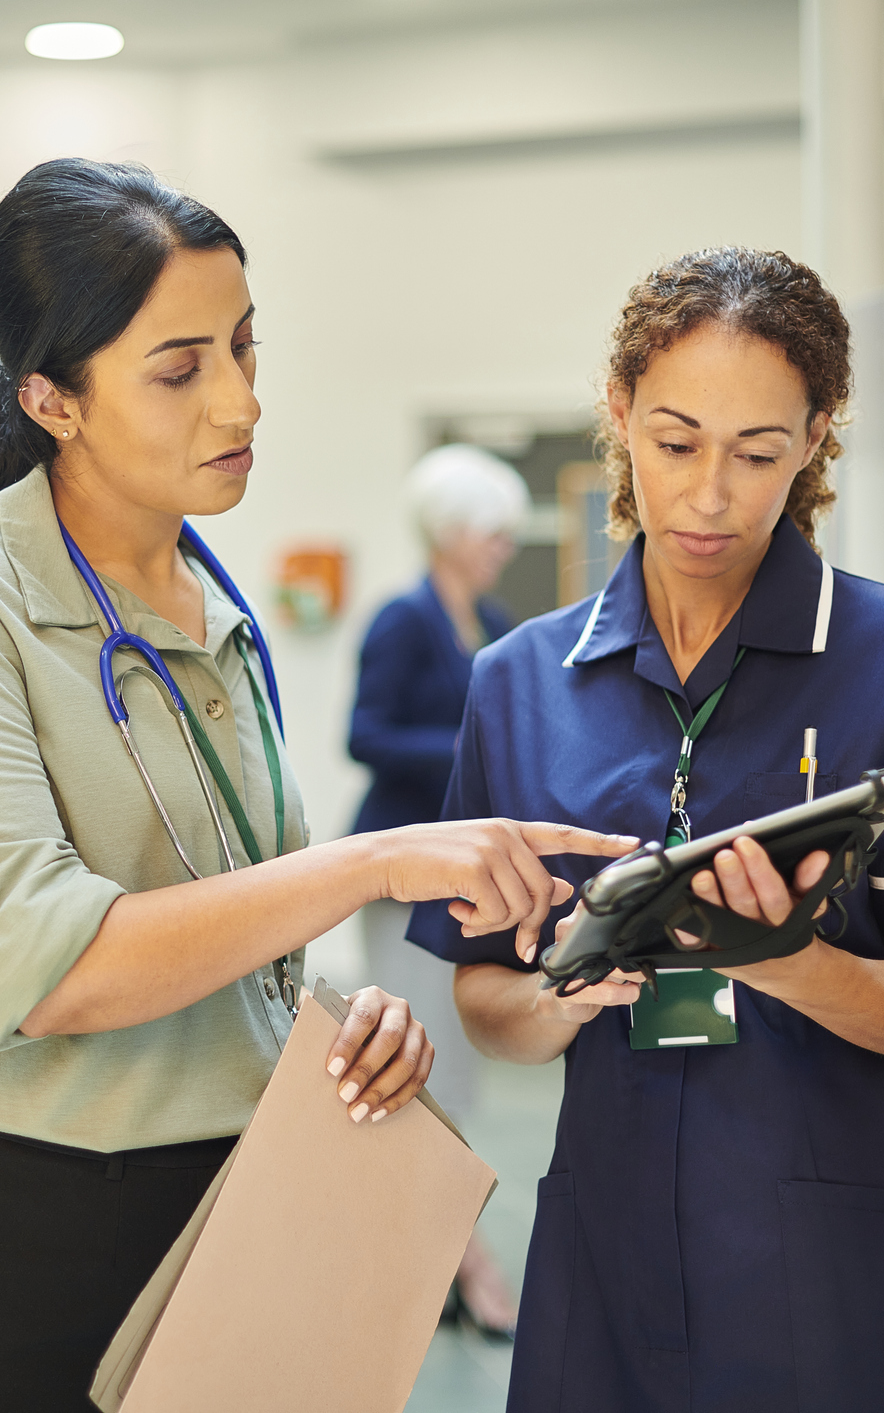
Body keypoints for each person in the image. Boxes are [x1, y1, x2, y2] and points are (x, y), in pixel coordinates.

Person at [0, 158, 633, 1411]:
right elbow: (57, 968)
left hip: (234, 1216)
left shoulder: (218, 606)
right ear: (52, 396)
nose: (241, 402)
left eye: (246, 350)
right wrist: (372, 864)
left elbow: (232, 921)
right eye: (180, 367)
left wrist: (331, 1025)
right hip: (16, 1242)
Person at [417, 248, 884, 1412]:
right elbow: (483, 1002)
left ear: (813, 439)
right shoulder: (518, 682)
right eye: (676, 442)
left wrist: (786, 962)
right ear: (618, 418)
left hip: (831, 1252)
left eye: (758, 452)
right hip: (601, 1251)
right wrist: (568, 990)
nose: (712, 493)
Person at [347, 441, 528, 1335]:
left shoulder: (491, 620)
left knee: (453, 1072)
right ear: (451, 532)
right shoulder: (400, 621)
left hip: (462, 878)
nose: (503, 547)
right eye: (493, 532)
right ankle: (462, 1262)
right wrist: (466, 754)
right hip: (398, 877)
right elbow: (366, 735)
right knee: (411, 1072)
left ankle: (442, 1254)